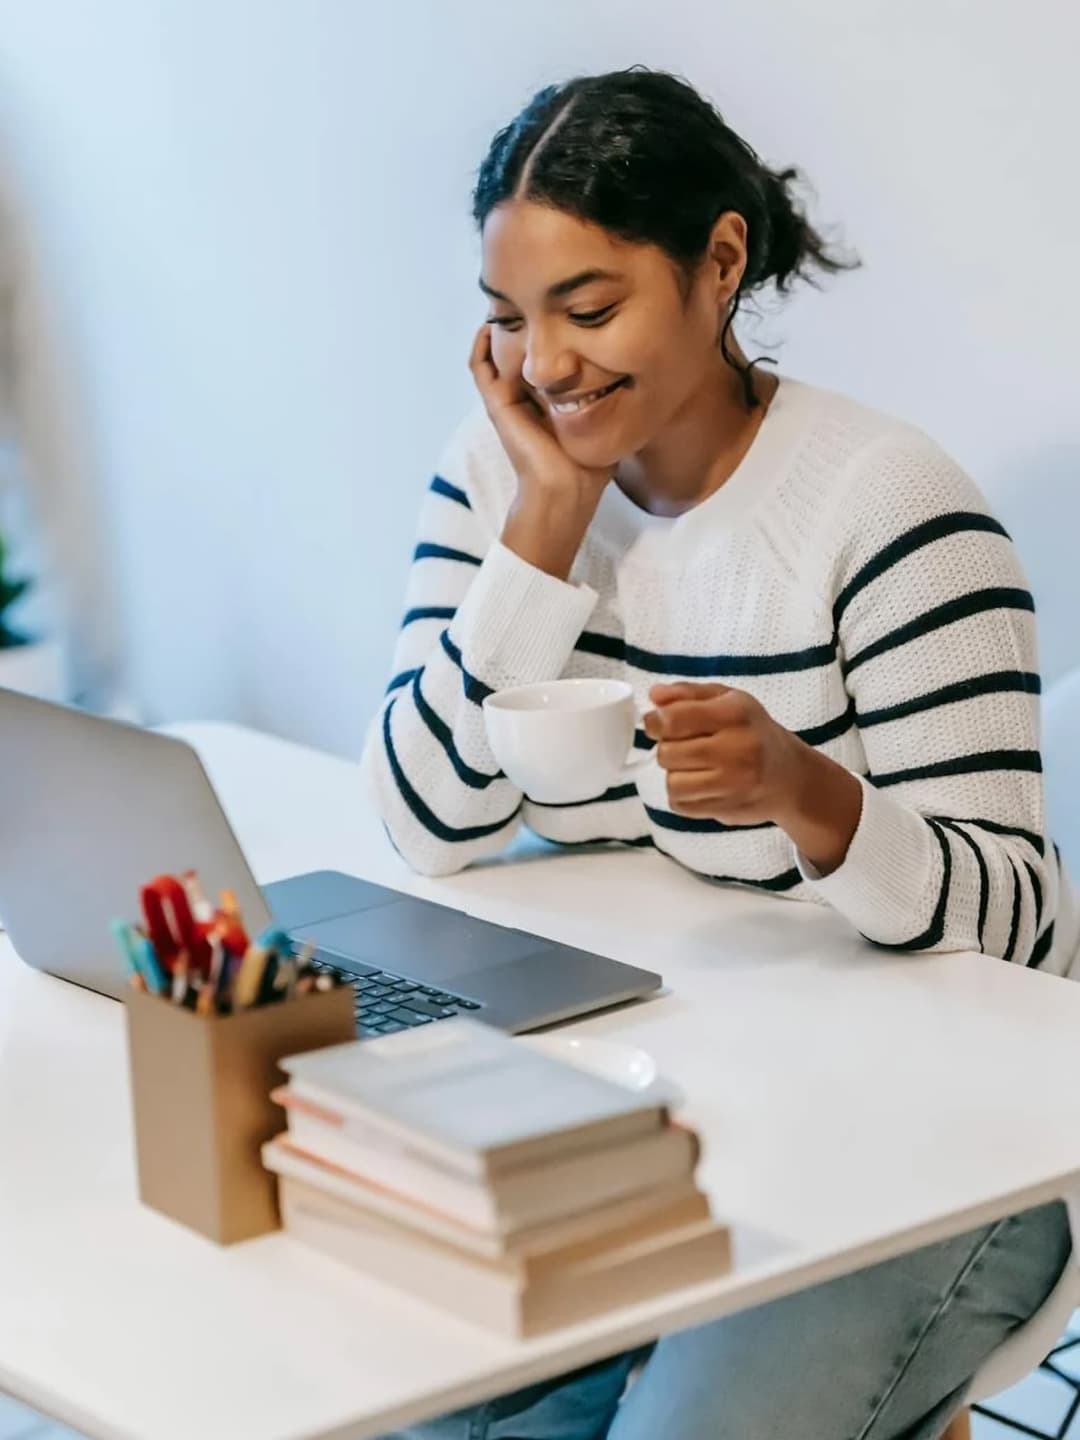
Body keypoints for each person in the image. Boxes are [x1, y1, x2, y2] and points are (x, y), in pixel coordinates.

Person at [364, 68, 1076, 1440]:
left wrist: (807, 795)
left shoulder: (889, 508)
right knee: (389, 1397)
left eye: (590, 309)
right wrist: (546, 525)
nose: (550, 366)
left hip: (936, 1158)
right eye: (512, 322)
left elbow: (1026, 931)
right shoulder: (500, 469)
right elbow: (421, 819)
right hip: (651, 1119)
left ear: (720, 263)